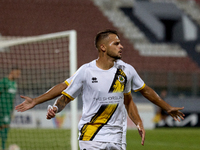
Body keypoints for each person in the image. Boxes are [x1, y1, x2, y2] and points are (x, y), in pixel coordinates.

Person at [16, 29, 184, 149]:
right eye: (116, 43)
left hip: (118, 136)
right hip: (92, 135)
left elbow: (135, 96)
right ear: (103, 47)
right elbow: (64, 93)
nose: (121, 46)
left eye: (121, 43)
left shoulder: (126, 70)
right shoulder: (86, 71)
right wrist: (40, 102)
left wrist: (163, 109)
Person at [0, 67, 21, 150]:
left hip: (8, 110)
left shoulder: (14, 84)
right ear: (12, 72)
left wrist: (12, 110)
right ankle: (4, 147)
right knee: (4, 126)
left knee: (5, 127)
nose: (18, 76)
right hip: (1, 108)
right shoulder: (4, 82)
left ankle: (3, 146)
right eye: (17, 73)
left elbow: (13, 98)